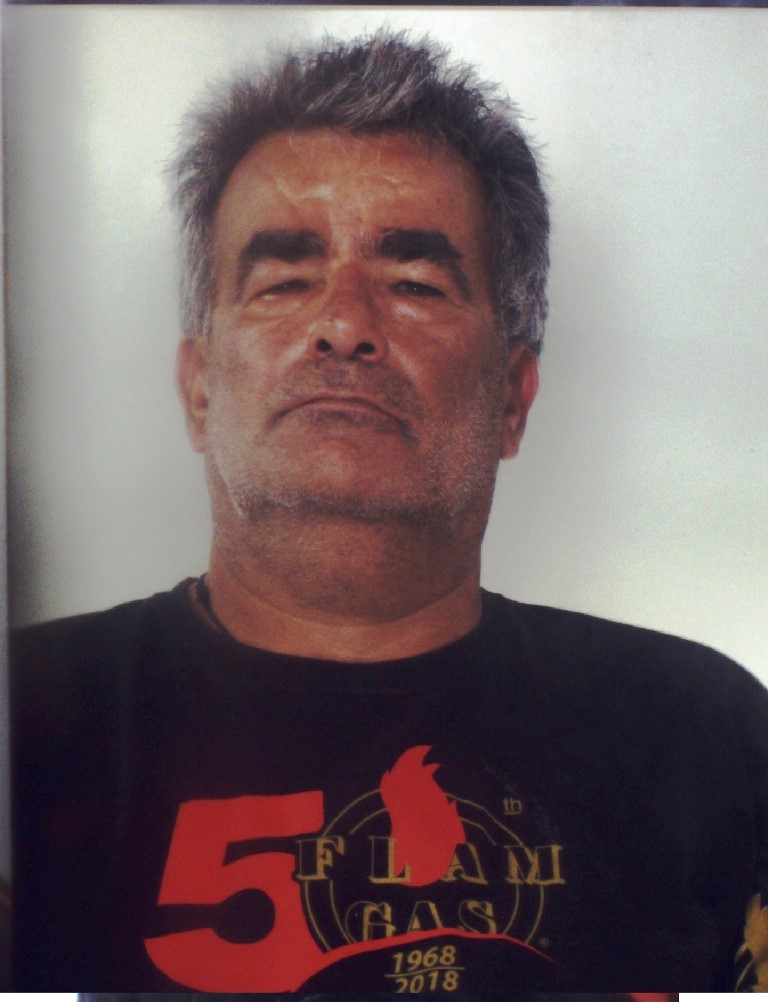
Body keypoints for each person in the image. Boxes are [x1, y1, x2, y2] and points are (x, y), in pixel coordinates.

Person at [10, 29, 768, 993]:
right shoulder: (31, 722)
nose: (344, 324)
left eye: (414, 283)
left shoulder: (702, 735)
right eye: (284, 280)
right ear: (199, 390)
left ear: (512, 400)